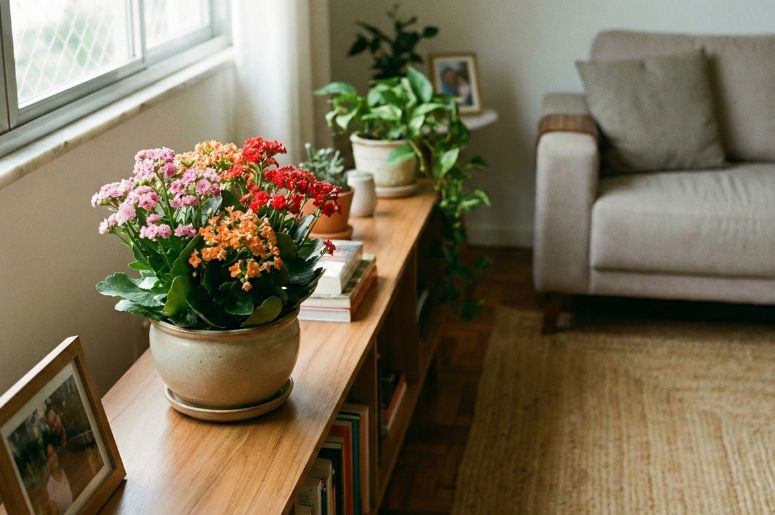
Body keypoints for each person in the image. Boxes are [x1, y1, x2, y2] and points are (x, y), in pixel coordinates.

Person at [43, 437, 73, 514]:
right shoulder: (49, 486)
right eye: (50, 455)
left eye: (53, 452)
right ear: (47, 460)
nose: (53, 457)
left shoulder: (66, 472)